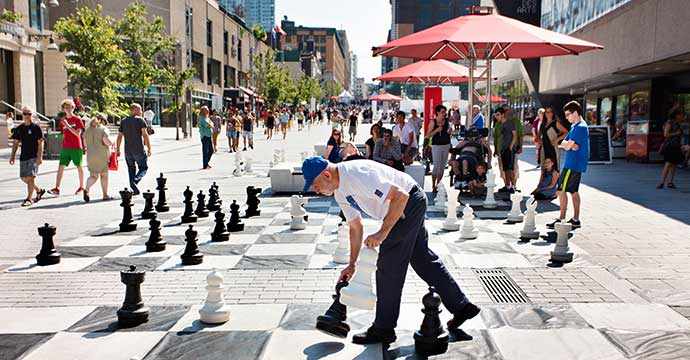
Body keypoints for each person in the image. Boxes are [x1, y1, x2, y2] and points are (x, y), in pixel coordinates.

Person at [301, 156, 479, 345]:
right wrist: (352, 265)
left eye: (314, 184)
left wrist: (381, 234)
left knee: (388, 266)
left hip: (408, 202)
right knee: (422, 259)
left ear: (327, 175)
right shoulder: (340, 191)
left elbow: (401, 196)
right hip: (403, 205)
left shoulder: (357, 174)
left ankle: (383, 329)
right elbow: (355, 226)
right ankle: (462, 306)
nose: (315, 189)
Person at [548, 101, 589, 230]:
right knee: (573, 191)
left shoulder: (580, 127)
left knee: (561, 190)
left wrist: (565, 145)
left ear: (575, 113)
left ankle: (561, 219)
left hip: (572, 164)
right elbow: (569, 145)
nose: (566, 117)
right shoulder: (575, 126)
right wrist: (569, 145)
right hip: (575, 163)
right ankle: (575, 219)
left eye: (568, 114)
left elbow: (569, 145)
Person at [9, 106, 46, 207]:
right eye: (25, 113)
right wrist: (12, 156)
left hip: (33, 156)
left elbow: (40, 143)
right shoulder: (19, 129)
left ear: (32, 115)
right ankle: (38, 191)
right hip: (23, 156)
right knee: (24, 178)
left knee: (31, 177)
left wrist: (40, 156)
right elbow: (15, 143)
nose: (27, 116)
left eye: (29, 114)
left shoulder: (36, 128)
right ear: (22, 115)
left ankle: (29, 199)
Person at [48, 99, 86, 196]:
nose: (68, 109)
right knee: (61, 167)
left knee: (79, 166)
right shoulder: (63, 121)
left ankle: (82, 187)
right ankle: (57, 188)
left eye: (70, 107)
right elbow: (64, 134)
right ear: (63, 109)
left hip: (76, 147)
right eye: (66, 107)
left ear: (73, 108)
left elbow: (78, 134)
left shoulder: (77, 119)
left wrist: (68, 126)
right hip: (66, 147)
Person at [116, 103, 152, 196]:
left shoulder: (123, 121)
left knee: (131, 168)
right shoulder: (140, 120)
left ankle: (133, 187)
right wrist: (149, 148)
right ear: (134, 110)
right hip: (138, 149)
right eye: (140, 110)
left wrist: (118, 149)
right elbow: (145, 134)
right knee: (143, 167)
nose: (141, 112)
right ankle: (135, 181)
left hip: (127, 151)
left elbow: (119, 136)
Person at [83, 113, 113, 202]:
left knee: (93, 176)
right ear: (102, 120)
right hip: (102, 155)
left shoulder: (87, 130)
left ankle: (87, 189)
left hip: (90, 155)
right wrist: (111, 143)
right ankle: (105, 195)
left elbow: (84, 143)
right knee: (104, 175)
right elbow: (106, 141)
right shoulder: (103, 129)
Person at [425, 104, 452, 193]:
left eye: (445, 112)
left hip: (446, 145)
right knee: (436, 166)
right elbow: (427, 135)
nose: (444, 114)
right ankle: (433, 185)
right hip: (436, 146)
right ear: (437, 112)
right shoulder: (433, 122)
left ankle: (438, 184)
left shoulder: (447, 121)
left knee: (442, 167)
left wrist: (450, 132)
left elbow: (450, 132)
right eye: (442, 112)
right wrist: (436, 130)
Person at [658, 109, 685, 189]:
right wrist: (676, 133)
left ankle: (670, 182)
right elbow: (665, 134)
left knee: (674, 164)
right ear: (676, 115)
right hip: (670, 145)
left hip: (676, 145)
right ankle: (662, 182)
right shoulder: (670, 122)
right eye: (681, 114)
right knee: (668, 163)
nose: (682, 116)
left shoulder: (678, 123)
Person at [494, 108, 517, 193]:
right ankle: (507, 185)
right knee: (505, 169)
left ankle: (512, 186)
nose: (496, 117)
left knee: (510, 169)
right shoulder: (501, 124)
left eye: (498, 115)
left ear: (503, 114)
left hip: (509, 149)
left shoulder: (509, 123)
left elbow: (515, 135)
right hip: (504, 149)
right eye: (496, 115)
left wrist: (511, 146)